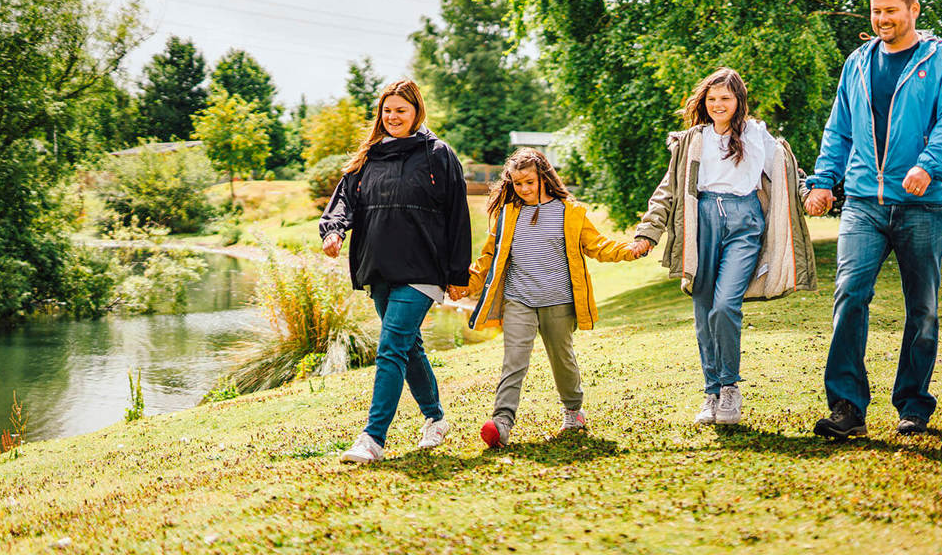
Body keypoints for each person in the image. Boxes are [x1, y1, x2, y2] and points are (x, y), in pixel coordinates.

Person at [804, 0, 942, 439]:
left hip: (922, 204)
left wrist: (929, 164)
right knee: (850, 296)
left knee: (923, 308)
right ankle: (847, 408)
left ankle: (913, 405)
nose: (882, 19)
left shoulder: (938, 60)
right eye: (876, 11)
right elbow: (839, 129)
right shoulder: (857, 63)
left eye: (891, 11)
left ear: (913, 11)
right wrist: (822, 181)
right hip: (862, 203)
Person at [633, 68, 817, 426]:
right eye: (712, 98)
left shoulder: (755, 134)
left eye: (726, 98)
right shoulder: (692, 140)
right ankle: (711, 392)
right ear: (704, 101)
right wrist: (647, 234)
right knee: (703, 312)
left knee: (724, 306)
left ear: (739, 101)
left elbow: (787, 172)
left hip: (744, 221)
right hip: (702, 221)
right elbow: (667, 191)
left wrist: (809, 195)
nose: (718, 104)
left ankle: (730, 388)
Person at [320, 79, 471, 463]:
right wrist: (334, 231)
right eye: (387, 110)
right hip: (380, 267)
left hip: (422, 268)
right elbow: (343, 202)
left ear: (416, 112)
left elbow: (457, 215)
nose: (392, 117)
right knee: (408, 347)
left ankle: (372, 439)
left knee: (390, 349)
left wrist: (457, 274)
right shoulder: (368, 157)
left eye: (400, 110)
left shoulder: (437, 154)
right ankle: (436, 418)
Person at [454, 148, 643, 448]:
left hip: (558, 300)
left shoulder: (570, 212)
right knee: (513, 360)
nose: (524, 189)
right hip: (519, 300)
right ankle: (501, 422)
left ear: (544, 176)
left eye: (529, 181)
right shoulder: (507, 215)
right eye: (517, 184)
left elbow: (598, 246)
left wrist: (627, 250)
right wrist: (464, 285)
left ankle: (573, 410)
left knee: (562, 359)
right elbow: (488, 258)